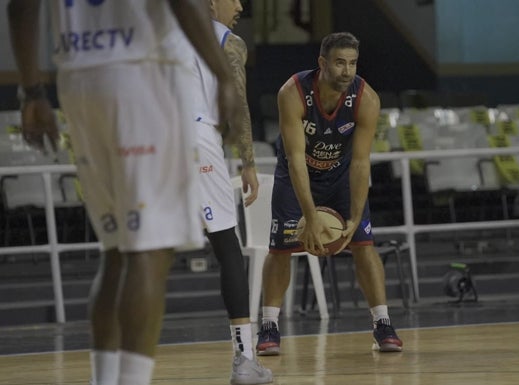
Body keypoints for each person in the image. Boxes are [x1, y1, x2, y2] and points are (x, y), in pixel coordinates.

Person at [7, 1, 237, 385]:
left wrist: (31, 91)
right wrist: (223, 74)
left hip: (79, 81)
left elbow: (21, 7)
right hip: (144, 75)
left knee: (116, 250)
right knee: (149, 251)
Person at [256, 32, 403, 356]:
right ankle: (269, 325)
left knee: (364, 244)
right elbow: (295, 160)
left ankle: (383, 323)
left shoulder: (367, 99)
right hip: (296, 175)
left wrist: (354, 216)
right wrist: (309, 216)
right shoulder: (292, 93)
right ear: (322, 63)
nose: (347, 71)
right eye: (339, 63)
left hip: (341, 175)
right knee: (280, 248)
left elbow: (362, 162)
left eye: (352, 63)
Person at [188, 0, 271, 383]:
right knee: (227, 246)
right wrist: (249, 161)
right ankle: (244, 360)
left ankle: (111, 368)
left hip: (149, 140)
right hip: (196, 138)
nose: (239, 5)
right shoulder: (228, 40)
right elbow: (236, 103)